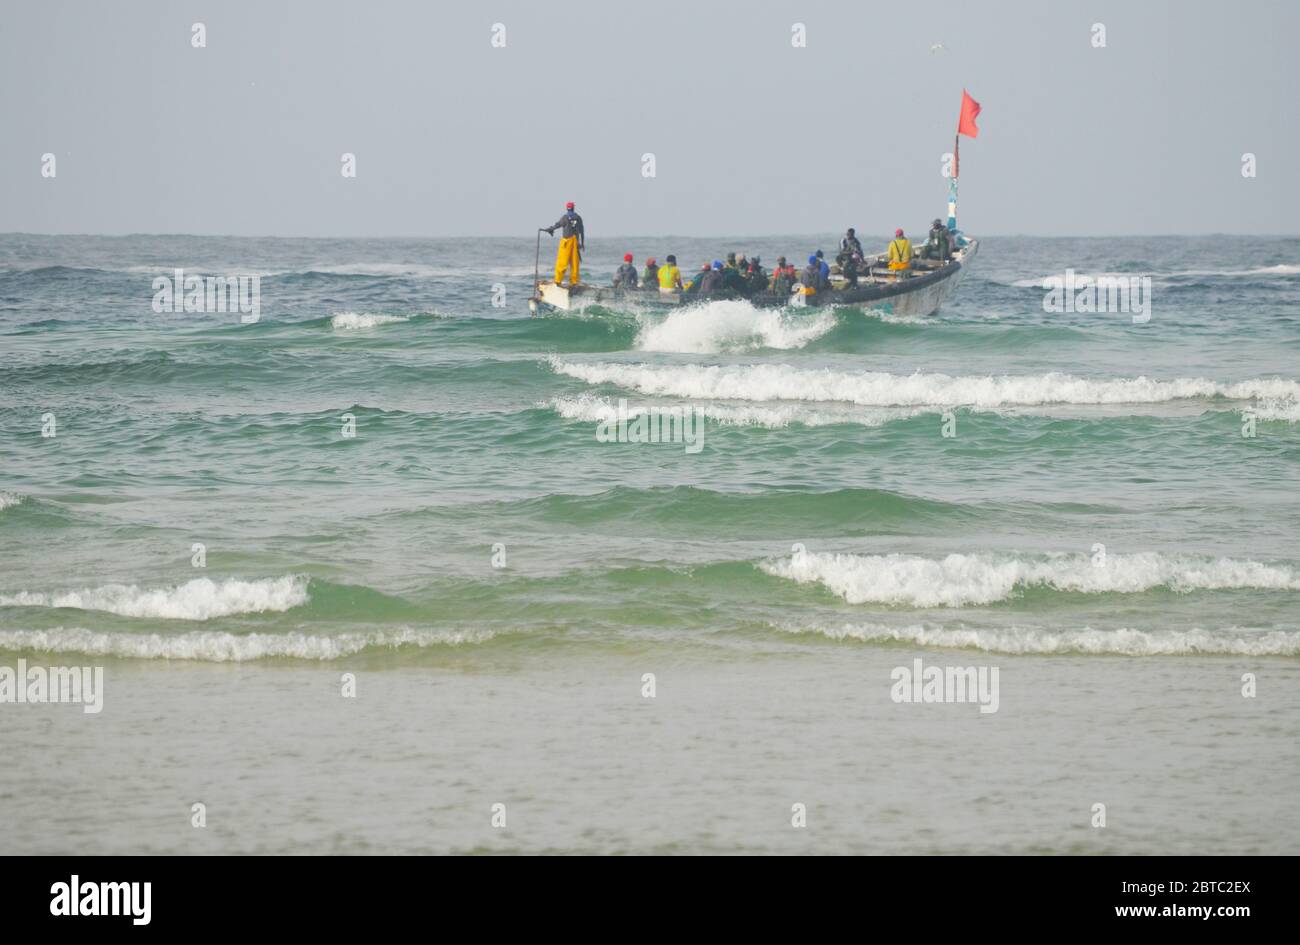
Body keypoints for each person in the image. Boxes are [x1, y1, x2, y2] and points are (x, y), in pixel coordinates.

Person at [544, 201, 585, 286]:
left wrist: (550, 229)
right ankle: (574, 282)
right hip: (575, 243)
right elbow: (582, 231)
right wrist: (582, 243)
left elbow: (558, 225)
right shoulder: (578, 218)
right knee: (574, 263)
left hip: (566, 242)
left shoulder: (565, 218)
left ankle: (558, 281)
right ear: (573, 208)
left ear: (567, 208)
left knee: (562, 262)